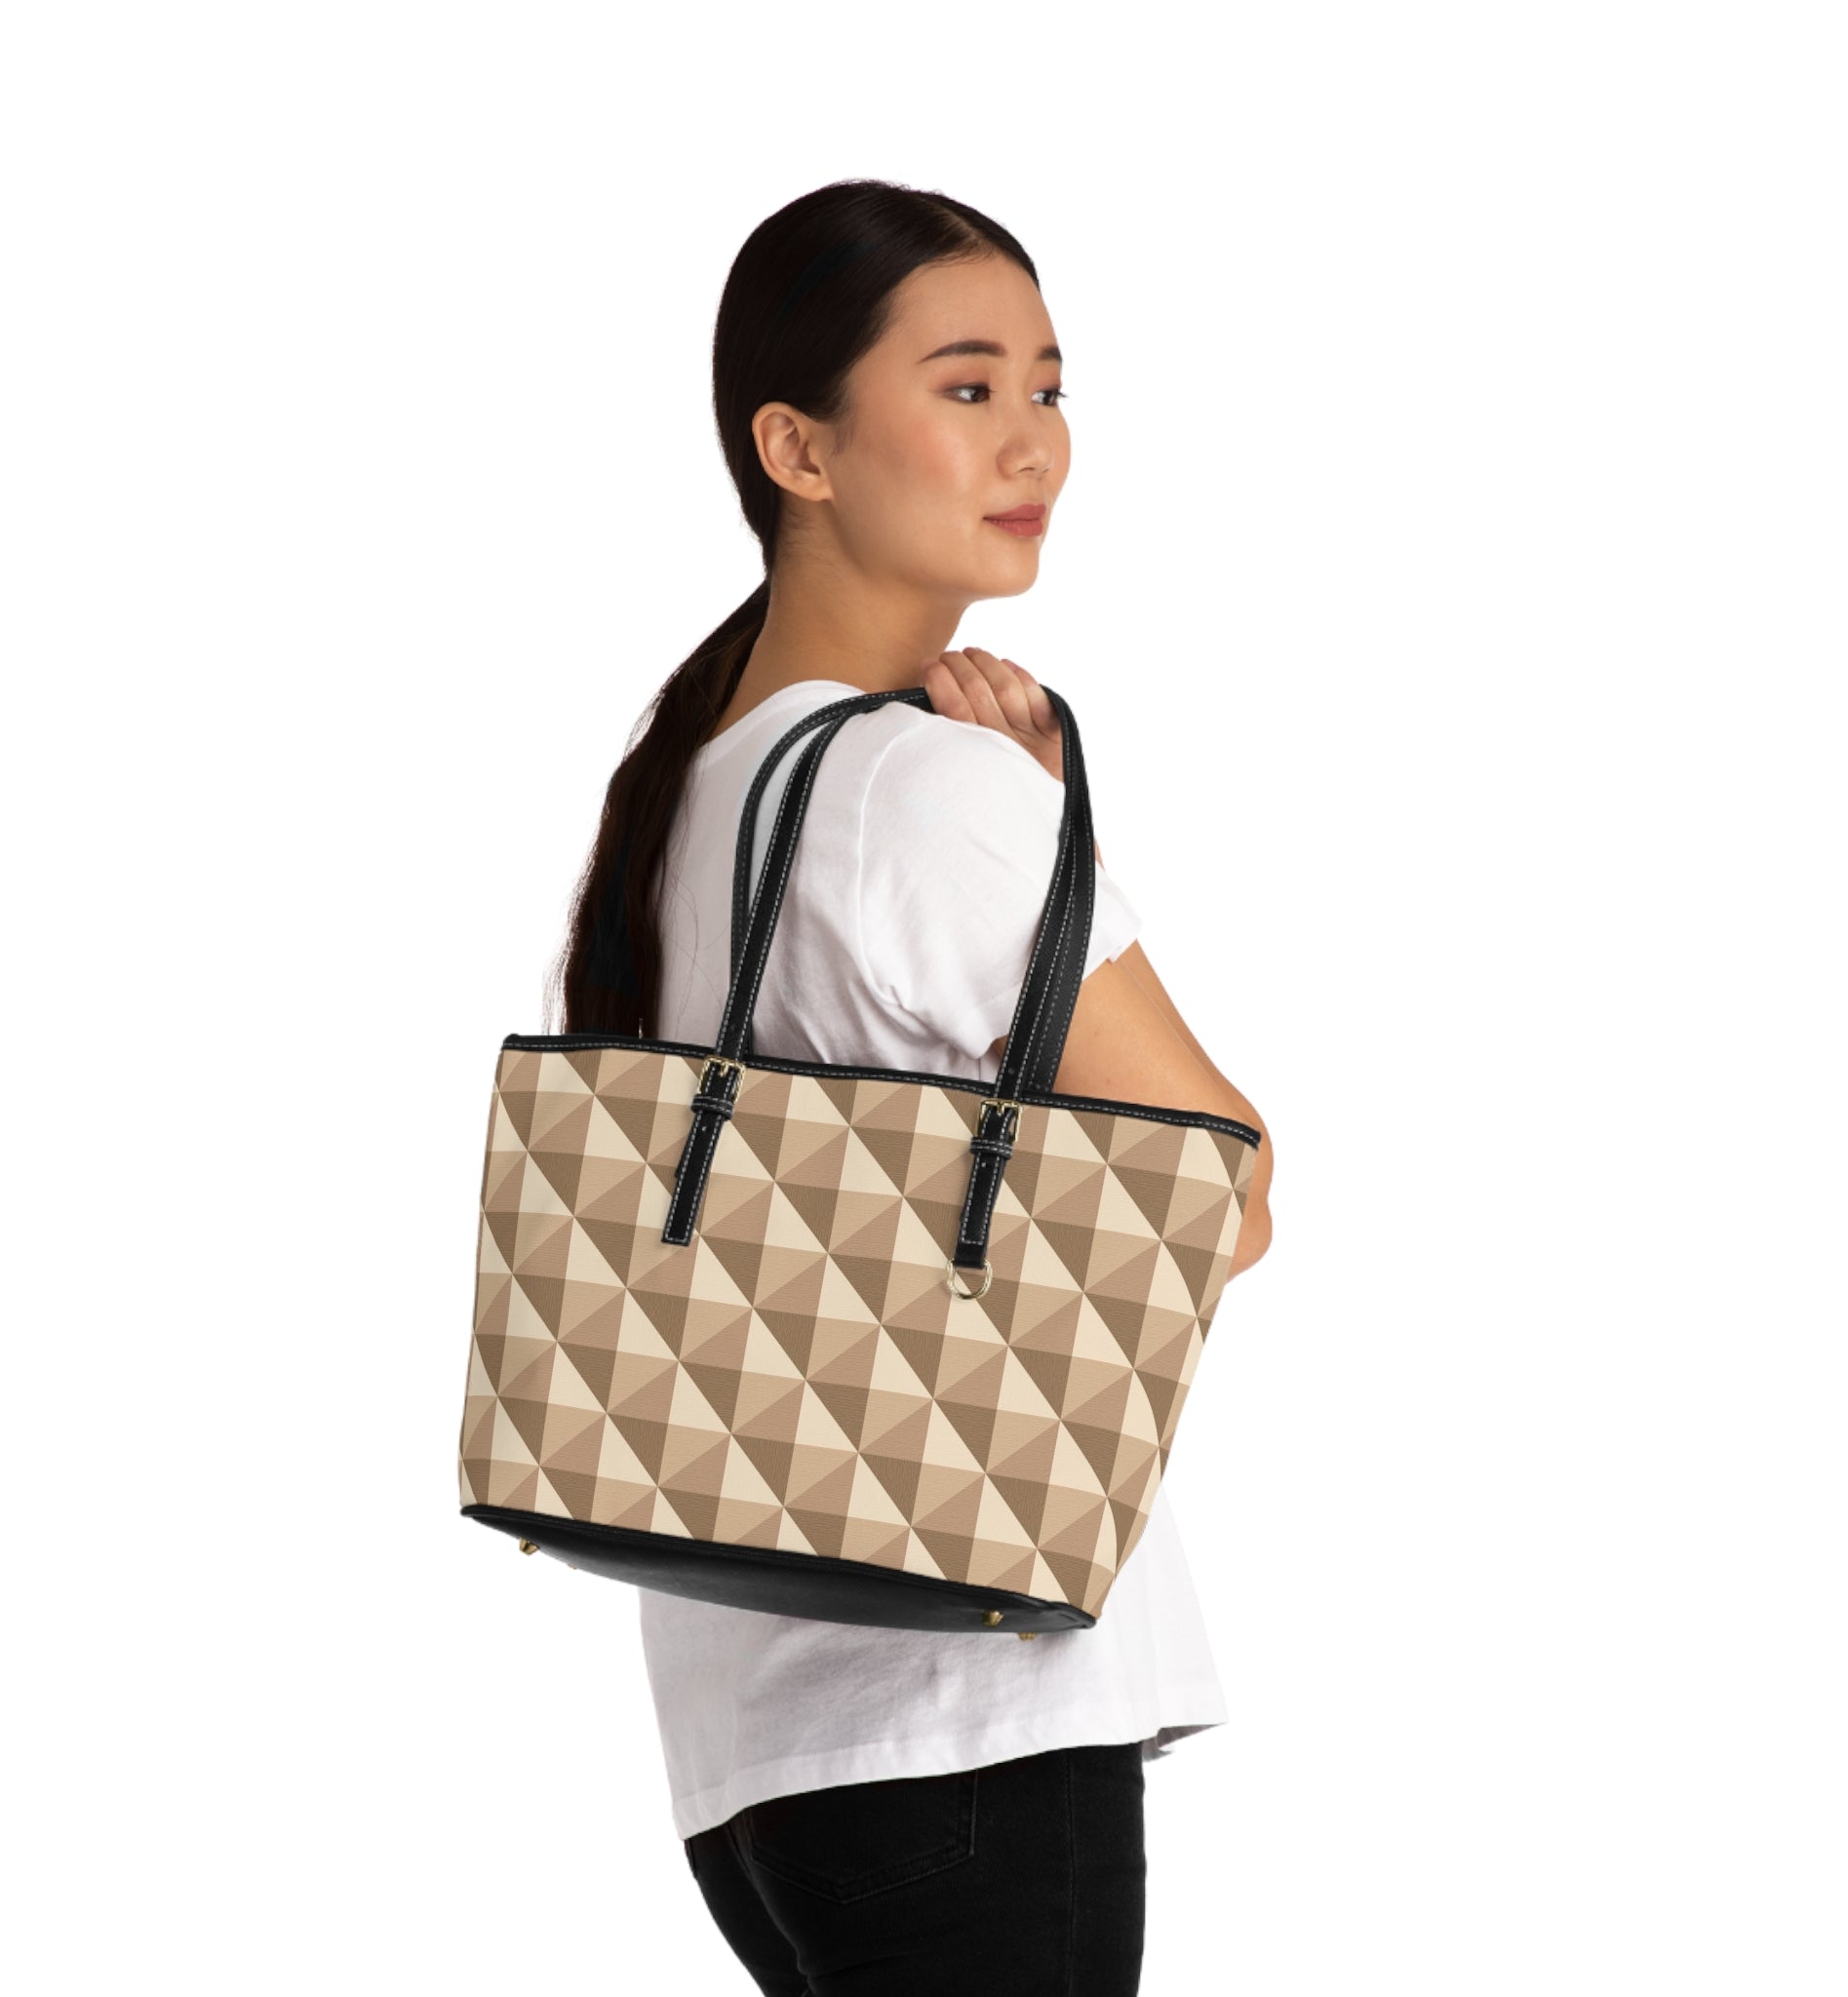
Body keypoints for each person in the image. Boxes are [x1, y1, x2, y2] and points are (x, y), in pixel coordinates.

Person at [551, 177, 1276, 1996]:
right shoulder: (927, 792)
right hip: (968, 1709)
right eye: (965, 387)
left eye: (1049, 384)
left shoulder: (692, 788)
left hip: (763, 1752)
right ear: (795, 447)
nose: (1033, 441)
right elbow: (1225, 1188)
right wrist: (1032, 822)